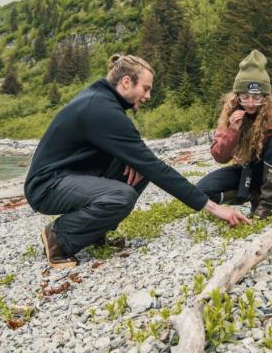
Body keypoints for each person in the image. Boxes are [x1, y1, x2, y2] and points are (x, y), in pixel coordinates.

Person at [25, 53, 250, 268]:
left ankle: (92, 233)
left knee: (139, 170)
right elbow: (156, 168)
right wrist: (213, 208)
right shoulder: (102, 109)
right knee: (122, 195)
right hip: (47, 185)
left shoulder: (103, 101)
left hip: (70, 176)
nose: (148, 96)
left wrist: (132, 161)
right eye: (146, 88)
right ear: (126, 82)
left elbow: (140, 162)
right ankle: (58, 238)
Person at [197, 50, 272, 218]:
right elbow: (220, 157)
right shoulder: (230, 112)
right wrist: (233, 130)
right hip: (246, 170)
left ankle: (265, 205)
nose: (251, 103)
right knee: (201, 191)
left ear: (265, 96)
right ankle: (249, 194)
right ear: (237, 95)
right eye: (245, 97)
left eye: (257, 97)